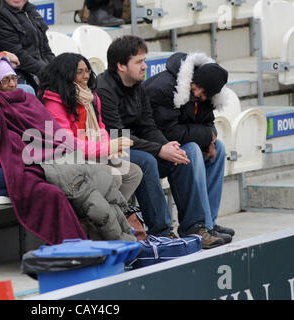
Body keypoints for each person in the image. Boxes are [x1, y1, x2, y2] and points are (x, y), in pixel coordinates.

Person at [0, 58, 135, 242]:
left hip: (54, 159)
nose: (86, 76)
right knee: (81, 183)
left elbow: (78, 134)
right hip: (6, 169)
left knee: (115, 175)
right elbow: (16, 141)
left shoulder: (0, 103)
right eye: (6, 80)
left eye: (14, 78)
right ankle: (105, 243)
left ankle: (120, 239)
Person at [96, 35, 226, 249]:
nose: (144, 66)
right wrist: (159, 149)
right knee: (147, 160)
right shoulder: (104, 90)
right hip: (110, 150)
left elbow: (148, 126)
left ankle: (195, 227)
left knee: (181, 155)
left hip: (137, 145)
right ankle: (162, 232)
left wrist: (168, 147)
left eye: (144, 60)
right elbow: (118, 135)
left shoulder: (137, 86)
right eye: (138, 62)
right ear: (120, 65)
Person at [143, 51, 235, 241]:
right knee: (192, 149)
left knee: (218, 150)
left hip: (175, 146)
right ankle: (195, 227)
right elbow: (169, 132)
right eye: (198, 87)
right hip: (155, 148)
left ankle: (208, 222)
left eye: (205, 93)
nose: (198, 94)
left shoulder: (204, 95)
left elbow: (208, 121)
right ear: (193, 78)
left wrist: (211, 138)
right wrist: (206, 136)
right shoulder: (165, 88)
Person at [38, 52, 143, 204]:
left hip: (91, 155)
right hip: (68, 160)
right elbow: (68, 143)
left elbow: (100, 128)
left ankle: (114, 214)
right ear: (66, 74)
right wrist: (106, 148)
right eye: (79, 72)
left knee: (133, 172)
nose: (86, 75)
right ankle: (99, 218)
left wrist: (110, 149)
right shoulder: (53, 102)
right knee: (113, 175)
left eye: (87, 70)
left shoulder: (91, 97)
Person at [0, 0, 55, 90]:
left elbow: (46, 50)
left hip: (41, 71)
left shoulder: (31, 11)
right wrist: (49, 75)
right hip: (19, 74)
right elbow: (18, 55)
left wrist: (57, 69)